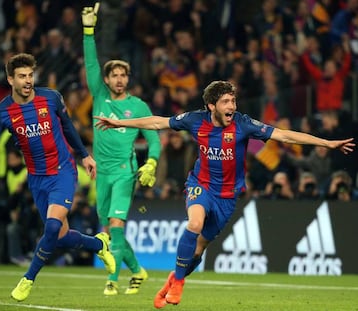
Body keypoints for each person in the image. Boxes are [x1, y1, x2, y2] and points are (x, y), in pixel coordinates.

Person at [94, 80, 355, 308]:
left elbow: (285, 135)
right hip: (201, 185)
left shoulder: (243, 124)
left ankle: (174, 278)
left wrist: (327, 143)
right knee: (194, 223)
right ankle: (180, 282)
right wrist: (119, 122)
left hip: (228, 196)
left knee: (199, 248)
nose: (232, 106)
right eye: (226, 101)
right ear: (211, 105)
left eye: (234, 100)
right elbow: (157, 122)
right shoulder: (195, 120)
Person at [0, 53, 116, 302]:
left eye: (30, 75)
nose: (27, 81)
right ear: (10, 79)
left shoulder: (51, 97)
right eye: (22, 76)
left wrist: (84, 156)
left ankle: (28, 279)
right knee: (60, 236)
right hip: (36, 178)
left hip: (63, 171)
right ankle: (100, 245)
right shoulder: (2, 112)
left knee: (52, 226)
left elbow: (67, 127)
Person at [82, 3, 161, 296]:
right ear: (106, 80)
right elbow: (90, 64)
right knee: (109, 231)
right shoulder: (100, 96)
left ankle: (112, 280)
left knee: (115, 223)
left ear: (127, 78)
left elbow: (154, 137)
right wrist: (88, 32)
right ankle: (138, 271)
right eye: (114, 75)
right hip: (101, 173)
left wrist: (151, 162)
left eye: (123, 75)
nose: (119, 79)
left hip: (124, 172)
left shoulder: (138, 106)